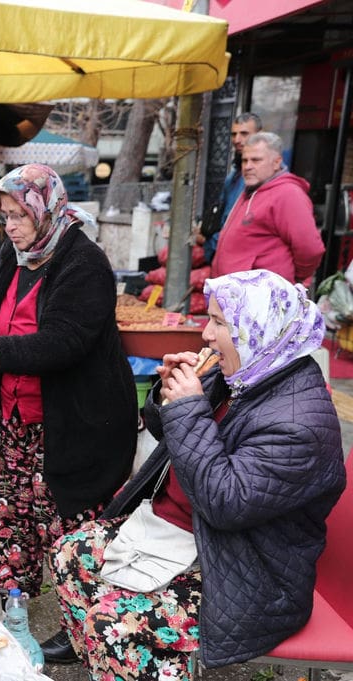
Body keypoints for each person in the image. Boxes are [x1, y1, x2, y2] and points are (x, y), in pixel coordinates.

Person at [44, 269, 347, 680]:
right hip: (186, 534)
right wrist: (166, 391)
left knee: (112, 622)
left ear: (258, 329)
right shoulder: (246, 372)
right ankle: (119, 667)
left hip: (247, 572)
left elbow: (226, 503)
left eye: (220, 322)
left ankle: (126, 657)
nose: (206, 334)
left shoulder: (299, 425)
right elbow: (164, 429)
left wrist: (188, 407)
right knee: (69, 554)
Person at [0, 163, 136, 597]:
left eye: (19, 216)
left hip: (73, 422)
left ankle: (84, 623)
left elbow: (63, 343)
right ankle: (12, 603)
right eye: (4, 216)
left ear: (46, 209)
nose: (10, 227)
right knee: (13, 513)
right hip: (16, 417)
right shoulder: (14, 256)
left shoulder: (84, 263)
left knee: (70, 524)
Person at [211, 131, 324, 284]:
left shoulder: (288, 194)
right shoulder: (251, 190)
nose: (248, 166)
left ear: (276, 163)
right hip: (235, 297)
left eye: (256, 160)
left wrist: (292, 279)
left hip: (261, 298)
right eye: (245, 161)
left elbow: (310, 249)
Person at [201, 112, 262, 263]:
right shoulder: (233, 175)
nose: (237, 140)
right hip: (222, 252)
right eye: (234, 134)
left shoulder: (262, 175)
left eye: (244, 134)